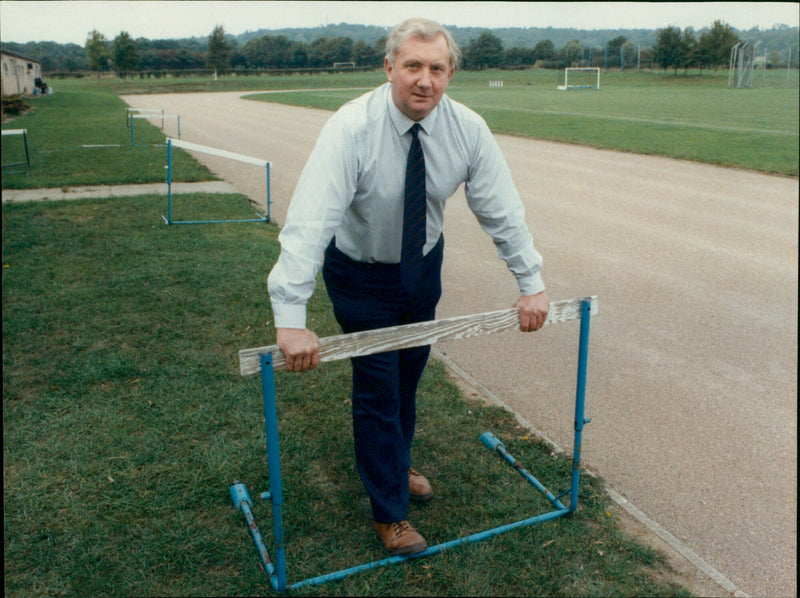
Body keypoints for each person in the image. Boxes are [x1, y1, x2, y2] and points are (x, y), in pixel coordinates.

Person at [267, 17, 549, 556]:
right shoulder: (350, 128)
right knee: (377, 387)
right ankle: (389, 513)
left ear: (449, 74)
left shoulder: (467, 128)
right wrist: (291, 317)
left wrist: (530, 281)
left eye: (437, 68)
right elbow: (309, 222)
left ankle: (394, 463)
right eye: (413, 66)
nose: (425, 80)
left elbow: (501, 210)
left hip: (421, 265)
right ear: (389, 66)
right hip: (360, 270)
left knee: (407, 377)